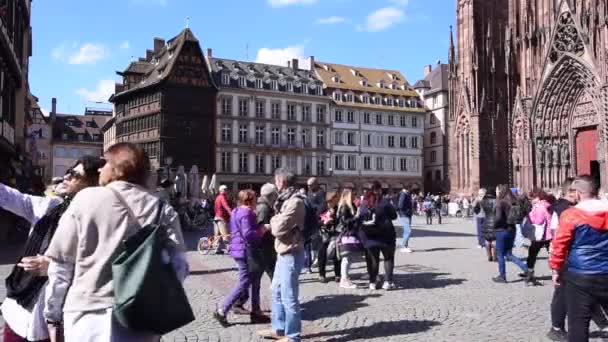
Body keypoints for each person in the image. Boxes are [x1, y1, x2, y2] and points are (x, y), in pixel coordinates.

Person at [44, 143, 188, 342]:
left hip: (87, 317)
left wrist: (52, 315)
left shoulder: (85, 199)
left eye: (105, 164)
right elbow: (179, 268)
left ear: (118, 169)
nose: (101, 169)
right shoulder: (163, 209)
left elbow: (60, 266)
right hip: (140, 319)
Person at [1, 156, 104, 342]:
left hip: (55, 323)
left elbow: (100, 270)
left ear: (92, 185)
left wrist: (53, 268)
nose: (66, 176)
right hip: (18, 313)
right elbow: (11, 197)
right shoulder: (50, 206)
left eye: (75, 175)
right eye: (69, 171)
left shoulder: (97, 222)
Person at [550, 175, 608, 342]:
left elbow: (559, 245)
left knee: (578, 324)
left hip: (580, 275)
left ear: (579, 193)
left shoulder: (570, 215)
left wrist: (556, 269)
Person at [257, 168, 306, 342]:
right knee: (276, 291)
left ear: (282, 182)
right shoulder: (284, 200)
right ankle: (278, 329)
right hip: (283, 251)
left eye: (276, 181)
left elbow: (278, 228)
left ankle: (293, 336)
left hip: (291, 252)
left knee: (289, 296)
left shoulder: (295, 202)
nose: (275, 184)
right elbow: (279, 224)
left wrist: (272, 221)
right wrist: (276, 220)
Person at [214, 190, 271, 326]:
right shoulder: (247, 213)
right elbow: (248, 234)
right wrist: (262, 230)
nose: (256, 201)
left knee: (255, 279)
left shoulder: (236, 211)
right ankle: (222, 309)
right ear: (250, 200)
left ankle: (256, 312)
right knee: (244, 281)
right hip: (245, 251)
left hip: (239, 249)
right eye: (255, 199)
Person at [491, 185, 531, 284]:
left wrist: (494, 226)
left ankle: (502, 276)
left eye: (496, 190)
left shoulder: (500, 202)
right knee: (508, 254)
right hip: (512, 230)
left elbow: (499, 218)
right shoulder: (514, 202)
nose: (496, 192)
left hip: (502, 230)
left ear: (500, 191)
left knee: (500, 254)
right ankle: (527, 269)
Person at [362, 181, 397, 291]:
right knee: (388, 258)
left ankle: (372, 282)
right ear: (379, 190)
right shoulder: (385, 202)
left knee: (373, 260)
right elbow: (394, 216)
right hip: (386, 236)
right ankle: (387, 282)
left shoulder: (365, 203)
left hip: (370, 236)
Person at [523, 188, 553, 286]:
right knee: (551, 254)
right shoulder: (546, 204)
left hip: (541, 235)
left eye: (533, 197)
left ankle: (529, 272)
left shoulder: (540, 207)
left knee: (532, 254)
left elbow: (539, 221)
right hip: (548, 235)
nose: (531, 200)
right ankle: (557, 273)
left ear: (538, 197)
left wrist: (529, 216)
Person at [336, 189, 360, 289]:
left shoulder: (350, 206)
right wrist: (356, 217)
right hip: (346, 234)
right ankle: (344, 279)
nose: (354, 196)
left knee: (350, 257)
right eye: (352, 195)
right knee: (346, 257)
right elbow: (345, 221)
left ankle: (345, 277)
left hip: (349, 234)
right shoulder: (344, 207)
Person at [256, 183, 279, 280]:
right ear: (271, 195)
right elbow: (260, 227)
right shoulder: (263, 208)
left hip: (268, 245)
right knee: (272, 271)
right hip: (266, 246)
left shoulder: (266, 206)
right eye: (275, 195)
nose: (276, 197)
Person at [317, 191, 341, 283]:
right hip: (323, 234)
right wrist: (325, 221)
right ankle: (322, 274)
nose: (337, 200)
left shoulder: (337, 208)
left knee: (336, 254)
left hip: (334, 233)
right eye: (336, 198)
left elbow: (339, 220)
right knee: (322, 254)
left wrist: (334, 221)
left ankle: (338, 274)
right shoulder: (322, 207)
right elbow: (317, 221)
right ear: (331, 199)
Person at [304, 177, 324, 274]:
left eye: (310, 185)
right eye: (308, 185)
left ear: (316, 184)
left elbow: (322, 206)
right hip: (308, 220)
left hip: (316, 220)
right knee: (308, 242)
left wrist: (314, 211)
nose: (309, 187)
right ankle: (308, 263)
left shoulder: (320, 193)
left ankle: (317, 258)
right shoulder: (308, 193)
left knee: (316, 241)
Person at [213, 184, 233, 254]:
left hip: (216, 217)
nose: (226, 190)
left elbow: (215, 208)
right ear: (221, 190)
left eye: (226, 189)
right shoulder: (222, 197)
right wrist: (231, 213)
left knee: (217, 235)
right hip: (221, 218)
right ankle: (229, 249)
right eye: (225, 189)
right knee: (225, 234)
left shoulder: (217, 197)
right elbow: (226, 206)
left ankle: (217, 249)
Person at [479, 190, 497, 262]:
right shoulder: (496, 201)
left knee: (487, 240)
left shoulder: (482, 201)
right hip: (495, 222)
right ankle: (495, 257)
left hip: (486, 221)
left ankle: (489, 256)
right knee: (495, 240)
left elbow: (477, 209)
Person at [397, 186, 413, 253]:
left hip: (406, 214)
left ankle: (405, 246)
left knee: (406, 230)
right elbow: (400, 205)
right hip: (405, 214)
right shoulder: (403, 194)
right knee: (407, 230)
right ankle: (403, 246)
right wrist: (406, 211)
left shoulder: (406, 194)